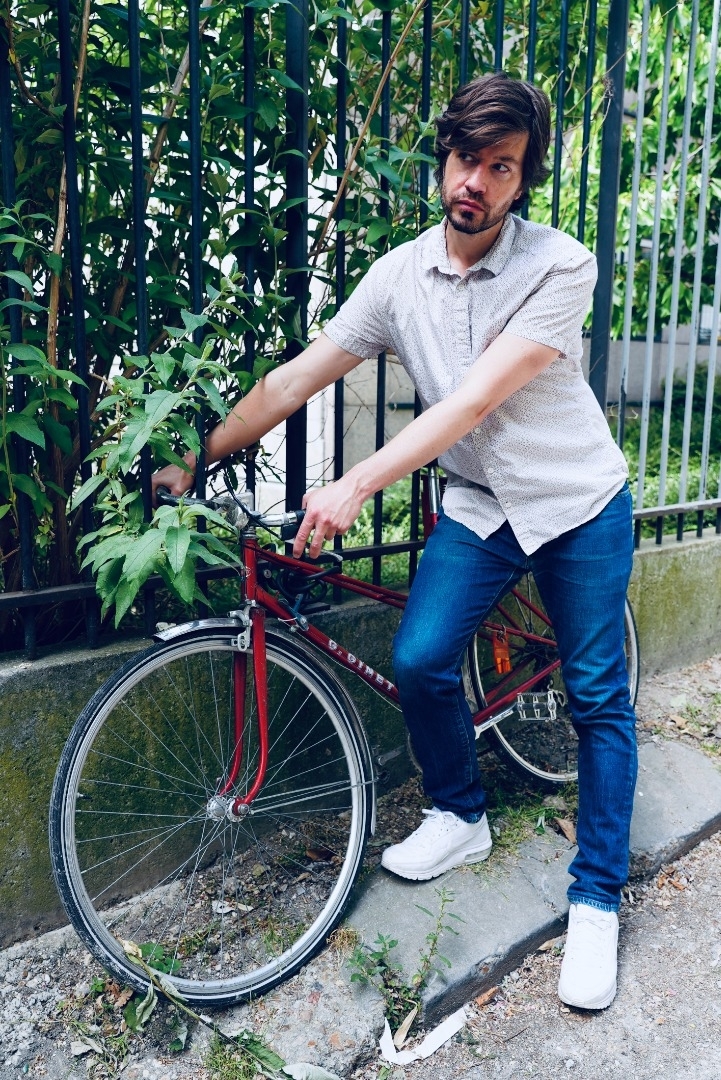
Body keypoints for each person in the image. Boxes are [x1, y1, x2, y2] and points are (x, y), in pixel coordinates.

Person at [152, 72, 636, 1012]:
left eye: (501, 167)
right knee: (419, 659)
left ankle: (595, 898)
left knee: (595, 697)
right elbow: (293, 381)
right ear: (443, 158)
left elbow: (474, 400)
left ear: (522, 179)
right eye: (466, 158)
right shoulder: (396, 278)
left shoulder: (560, 265)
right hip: (482, 506)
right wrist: (195, 456)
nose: (476, 181)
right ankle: (460, 811)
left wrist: (355, 482)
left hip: (575, 500)